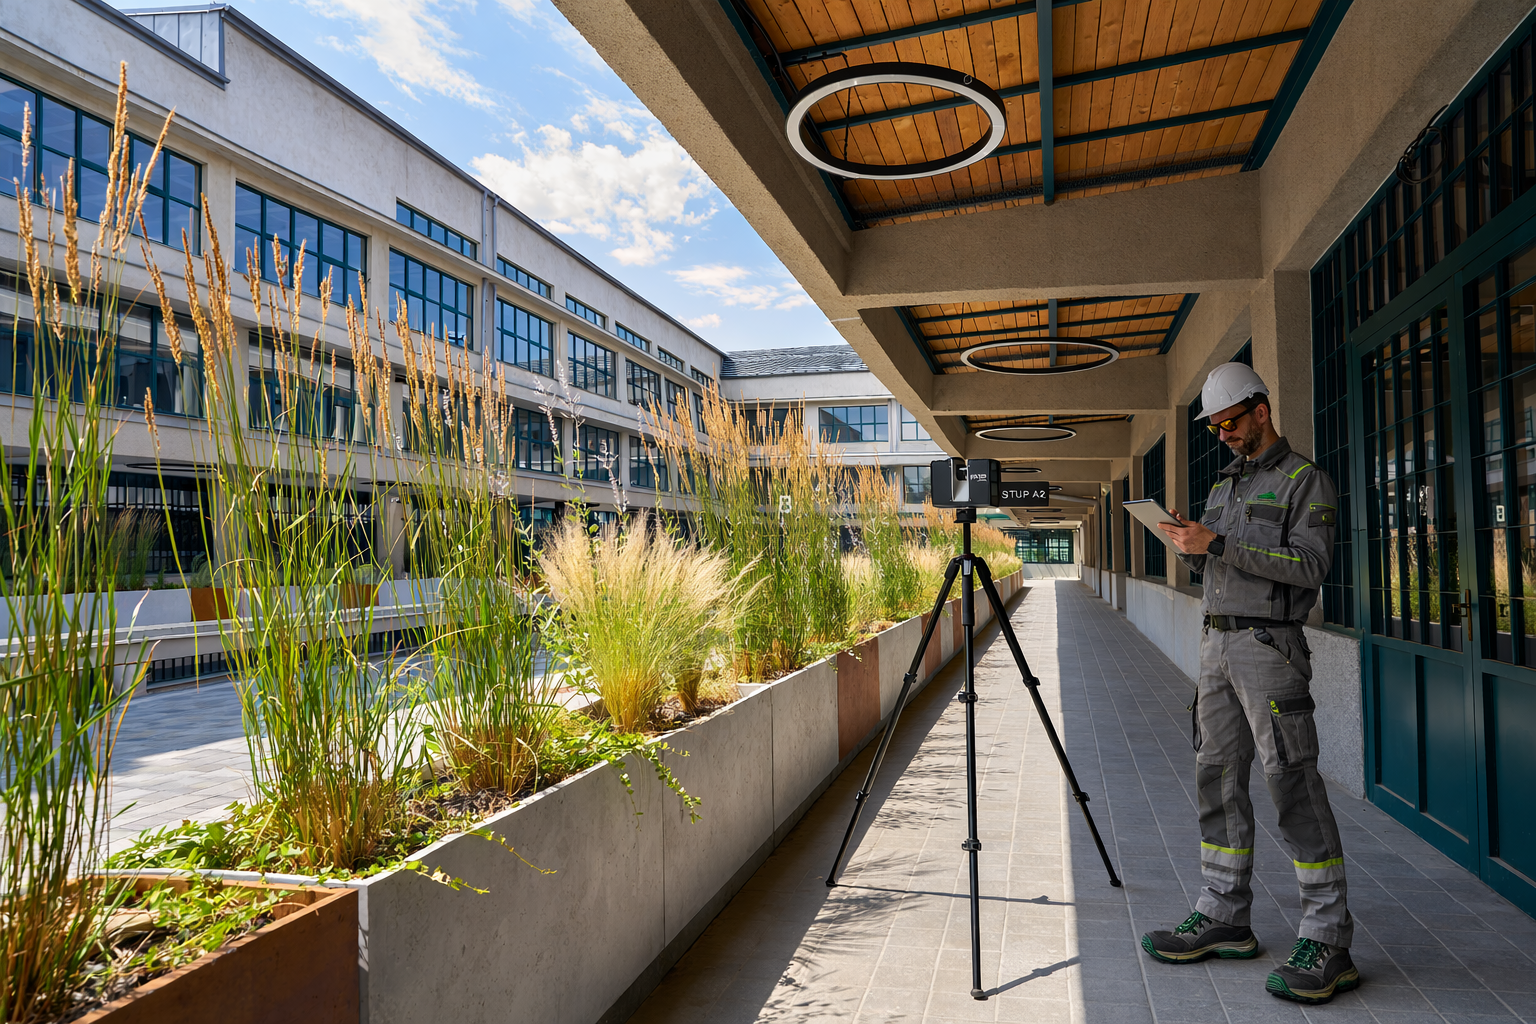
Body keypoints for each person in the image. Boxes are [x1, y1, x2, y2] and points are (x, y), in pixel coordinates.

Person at [1141, 362, 1358, 1006]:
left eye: (1231, 422)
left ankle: (1328, 935)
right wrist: (1190, 541)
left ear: (1262, 410)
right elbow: (1216, 553)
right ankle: (1224, 913)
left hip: (1269, 645)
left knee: (1290, 778)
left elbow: (1309, 565)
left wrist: (1221, 544)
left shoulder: (1305, 480)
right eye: (1215, 427)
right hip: (1216, 644)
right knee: (1216, 775)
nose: (1224, 435)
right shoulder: (1225, 485)